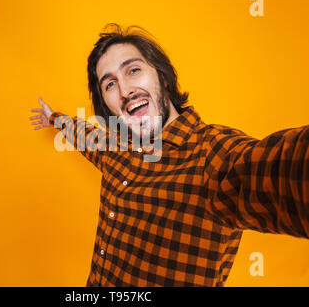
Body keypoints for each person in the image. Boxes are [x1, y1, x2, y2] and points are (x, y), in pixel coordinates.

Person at [29, 24, 309, 286]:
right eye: (110, 84)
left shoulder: (212, 157)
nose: (125, 90)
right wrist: (54, 118)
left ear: (161, 75)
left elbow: (285, 170)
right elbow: (87, 137)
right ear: (107, 105)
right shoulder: (115, 145)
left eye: (133, 70)